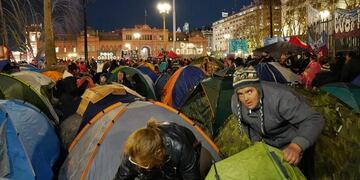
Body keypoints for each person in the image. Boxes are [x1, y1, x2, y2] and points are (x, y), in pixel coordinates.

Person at [231, 66, 324, 179]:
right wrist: (257, 142)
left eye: (249, 91)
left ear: (258, 88)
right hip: (270, 145)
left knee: (301, 175)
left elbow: (314, 119)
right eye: (240, 94)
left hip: (295, 140)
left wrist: (297, 146)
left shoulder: (280, 97)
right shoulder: (235, 103)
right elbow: (246, 124)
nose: (245, 98)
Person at [114, 119, 201, 180]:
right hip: (157, 166)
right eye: (135, 162)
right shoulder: (135, 150)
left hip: (180, 165)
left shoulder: (180, 147)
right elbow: (121, 176)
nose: (138, 166)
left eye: (144, 164)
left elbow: (191, 177)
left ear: (158, 153)